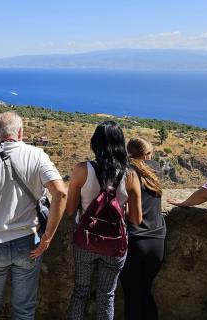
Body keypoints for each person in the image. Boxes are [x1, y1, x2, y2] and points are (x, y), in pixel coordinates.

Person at [0, 111, 67, 320]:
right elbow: (61, 193)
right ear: (20, 132)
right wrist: (47, 237)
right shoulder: (37, 155)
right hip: (27, 242)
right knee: (24, 310)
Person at [66, 121, 142, 320]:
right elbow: (136, 218)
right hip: (114, 245)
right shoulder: (130, 176)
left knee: (80, 291)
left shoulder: (82, 170)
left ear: (95, 143)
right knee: (107, 295)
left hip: (86, 241)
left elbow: (70, 209)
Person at [119, 138, 166, 320]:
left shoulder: (126, 172)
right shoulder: (156, 168)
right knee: (146, 293)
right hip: (157, 242)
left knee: (133, 297)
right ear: (147, 155)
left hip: (134, 241)